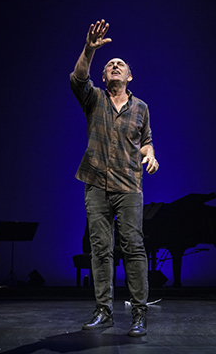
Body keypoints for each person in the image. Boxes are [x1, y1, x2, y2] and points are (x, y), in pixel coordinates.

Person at [70, 19, 159, 337]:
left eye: (120, 64)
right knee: (100, 249)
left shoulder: (141, 108)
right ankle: (104, 311)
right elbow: (78, 79)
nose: (115, 65)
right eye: (110, 64)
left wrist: (150, 153)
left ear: (130, 76)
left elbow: (145, 140)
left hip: (129, 185)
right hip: (95, 181)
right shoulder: (94, 99)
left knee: (134, 247)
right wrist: (89, 50)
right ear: (105, 76)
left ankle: (139, 313)